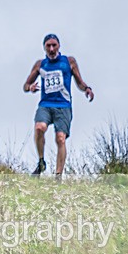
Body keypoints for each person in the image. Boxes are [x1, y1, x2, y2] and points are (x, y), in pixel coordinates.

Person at [23, 34, 94, 178]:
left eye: (54, 45)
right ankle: (41, 161)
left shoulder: (69, 62)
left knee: (60, 138)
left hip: (63, 106)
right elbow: (25, 85)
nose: (51, 49)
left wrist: (87, 88)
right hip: (46, 104)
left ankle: (58, 176)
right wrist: (30, 88)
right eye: (48, 46)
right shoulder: (40, 65)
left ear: (59, 46)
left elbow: (79, 82)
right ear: (44, 48)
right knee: (39, 127)